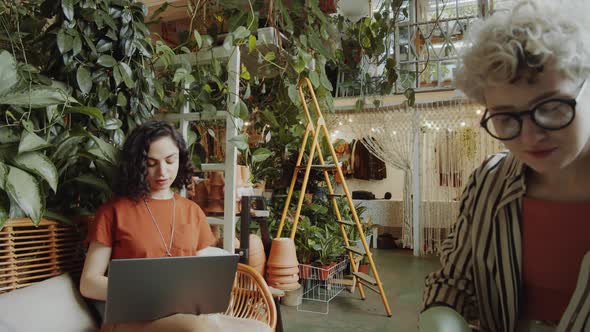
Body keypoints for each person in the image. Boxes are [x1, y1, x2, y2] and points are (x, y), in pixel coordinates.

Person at [420, 1, 590, 331]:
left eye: (551, 107)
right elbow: (454, 282)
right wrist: (441, 321)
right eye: (505, 117)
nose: (529, 136)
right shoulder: (489, 183)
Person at [80, 120, 218, 330]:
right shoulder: (113, 212)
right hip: (130, 319)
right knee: (198, 328)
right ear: (137, 164)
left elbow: (199, 278)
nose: (162, 172)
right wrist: (147, 292)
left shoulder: (192, 212)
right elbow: (89, 283)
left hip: (181, 314)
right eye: (151, 164)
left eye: (170, 161)